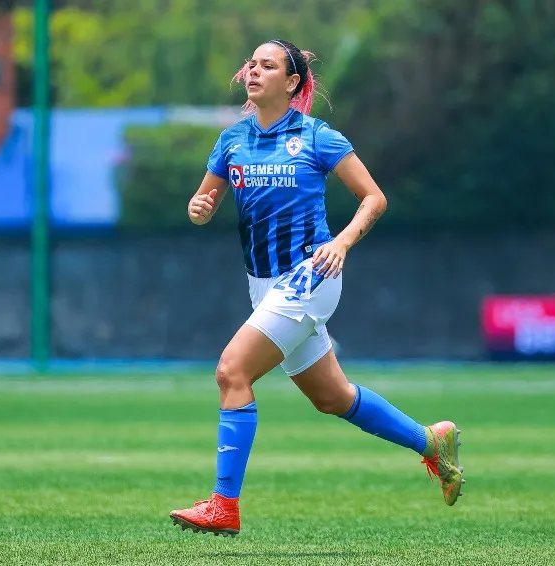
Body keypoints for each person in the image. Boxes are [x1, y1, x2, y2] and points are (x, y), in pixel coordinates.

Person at [169, 39, 464, 537]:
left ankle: (224, 505)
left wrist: (343, 242)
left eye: (267, 66)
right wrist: (198, 208)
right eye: (251, 64)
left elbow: (374, 198)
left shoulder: (317, 137)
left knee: (231, 371)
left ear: (291, 83)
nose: (254, 71)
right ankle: (431, 442)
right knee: (332, 397)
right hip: (263, 286)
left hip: (311, 275)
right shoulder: (231, 141)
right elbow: (204, 203)